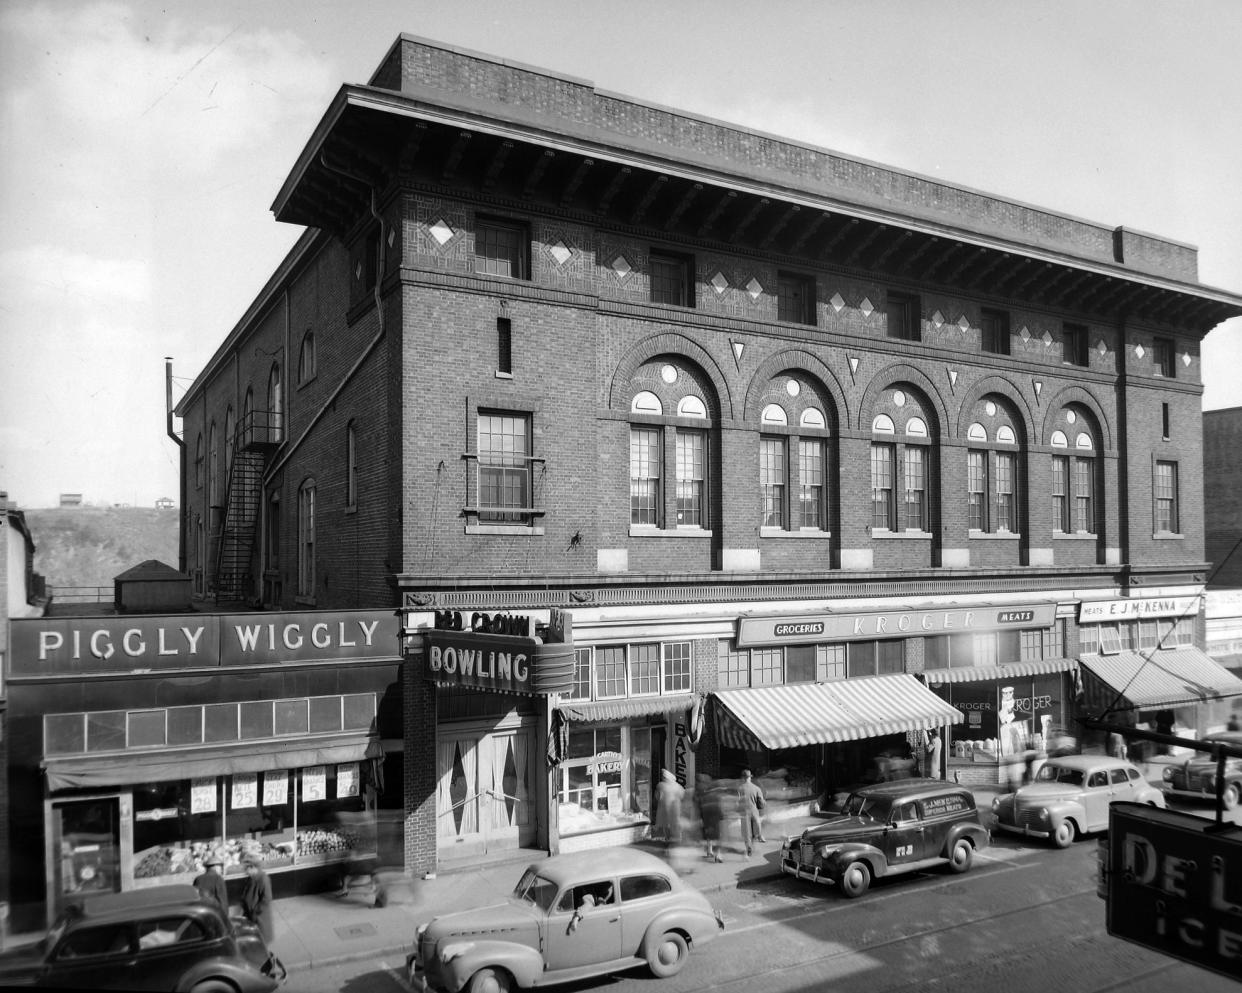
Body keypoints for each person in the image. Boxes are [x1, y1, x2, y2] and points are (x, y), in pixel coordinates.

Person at [240, 854, 275, 945]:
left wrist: (255, 912)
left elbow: (267, 898)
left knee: (260, 945)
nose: (245, 872)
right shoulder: (250, 878)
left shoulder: (263, 879)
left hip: (259, 919)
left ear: (253, 867)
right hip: (250, 918)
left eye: (246, 869)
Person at [736, 769, 766, 856]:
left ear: (743, 778)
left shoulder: (739, 789)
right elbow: (761, 803)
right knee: (754, 831)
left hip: (744, 813)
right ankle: (754, 842)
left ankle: (748, 847)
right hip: (754, 812)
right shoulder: (757, 788)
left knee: (746, 832)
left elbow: (737, 802)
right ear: (750, 777)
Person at [697, 776, 725, 863]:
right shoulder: (716, 797)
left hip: (706, 820)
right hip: (715, 820)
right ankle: (718, 856)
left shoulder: (703, 797)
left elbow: (700, 809)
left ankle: (709, 851)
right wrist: (722, 817)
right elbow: (718, 809)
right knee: (718, 838)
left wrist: (701, 819)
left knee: (709, 836)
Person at [653, 769, 685, 845]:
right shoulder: (677, 786)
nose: (663, 778)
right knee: (674, 826)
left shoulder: (660, 785)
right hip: (675, 810)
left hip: (665, 810)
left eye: (663, 777)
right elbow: (683, 797)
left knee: (666, 826)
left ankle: (669, 841)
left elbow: (656, 797)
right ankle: (675, 841)